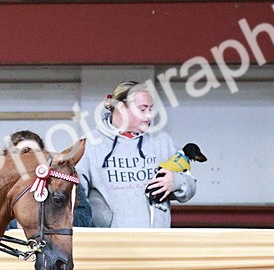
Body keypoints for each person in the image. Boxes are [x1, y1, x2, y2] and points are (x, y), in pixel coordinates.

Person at [76, 82, 196, 228]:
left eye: (151, 109)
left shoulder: (162, 141)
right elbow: (76, 201)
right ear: (121, 107)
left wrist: (176, 182)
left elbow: (190, 187)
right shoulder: (89, 145)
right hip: (109, 246)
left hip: (156, 244)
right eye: (142, 109)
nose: (149, 115)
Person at [7, 130, 94, 228]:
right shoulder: (3, 186)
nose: (29, 160)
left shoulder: (63, 180)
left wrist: (56, 218)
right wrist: (20, 223)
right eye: (23, 155)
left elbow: (85, 217)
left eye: (35, 154)